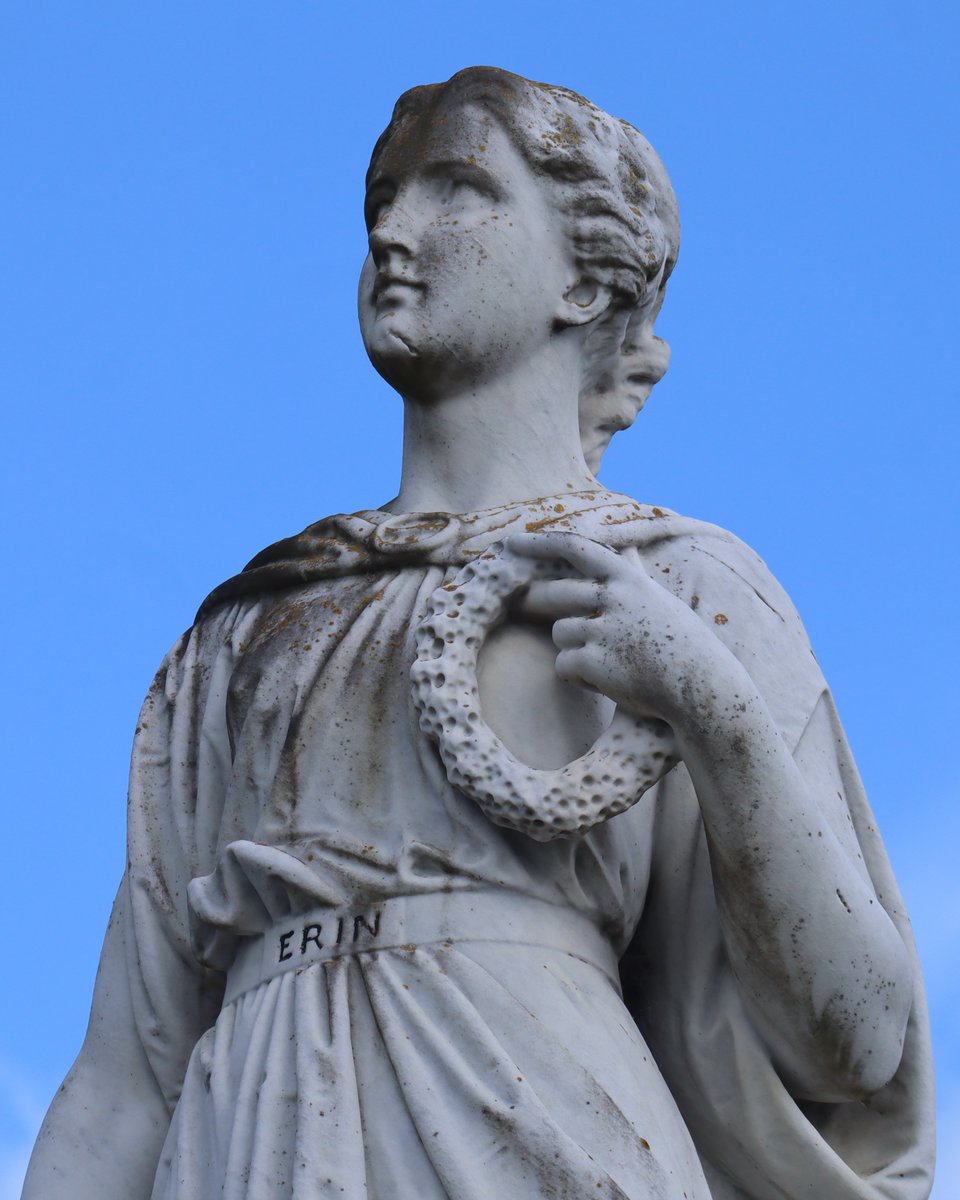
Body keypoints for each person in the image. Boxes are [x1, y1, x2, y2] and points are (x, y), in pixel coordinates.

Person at [23, 67, 933, 1200]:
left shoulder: (678, 585)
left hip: (547, 1133)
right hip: (249, 1144)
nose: (395, 232)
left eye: (459, 190)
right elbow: (125, 1079)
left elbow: (853, 1040)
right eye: (381, 201)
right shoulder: (249, 630)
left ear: (586, 284)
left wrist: (714, 712)